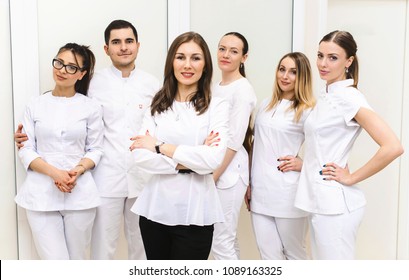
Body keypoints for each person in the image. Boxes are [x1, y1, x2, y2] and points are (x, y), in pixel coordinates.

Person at [14, 19, 160, 260]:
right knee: (102, 251)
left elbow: (159, 126)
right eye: (116, 42)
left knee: (142, 249)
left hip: (141, 176)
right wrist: (27, 136)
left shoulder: (153, 84)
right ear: (106, 49)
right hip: (104, 178)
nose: (123, 47)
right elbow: (64, 108)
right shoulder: (93, 84)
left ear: (138, 45)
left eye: (128, 41)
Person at [294, 30, 404, 259]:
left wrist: (351, 177)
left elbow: (393, 146)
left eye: (333, 57)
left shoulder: (348, 97)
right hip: (319, 201)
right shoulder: (328, 95)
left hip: (335, 207)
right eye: (320, 55)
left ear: (349, 61)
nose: (323, 64)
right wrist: (304, 164)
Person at [129, 31, 229, 260]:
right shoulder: (157, 103)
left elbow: (213, 160)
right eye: (180, 57)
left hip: (196, 214)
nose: (187, 65)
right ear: (171, 62)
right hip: (154, 211)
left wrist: (159, 146)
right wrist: (192, 162)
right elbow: (140, 156)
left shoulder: (217, 106)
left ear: (205, 64)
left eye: (195, 58)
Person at [15, 43, 103, 259]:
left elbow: (95, 148)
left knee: (77, 261)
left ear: (82, 74)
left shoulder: (90, 107)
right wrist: (55, 173)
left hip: (80, 194)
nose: (62, 70)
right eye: (59, 63)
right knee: (56, 264)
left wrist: (77, 171)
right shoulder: (34, 104)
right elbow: (25, 148)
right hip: (40, 195)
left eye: (72, 67)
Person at [245, 52, 315, 260]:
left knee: (294, 253)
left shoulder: (308, 110)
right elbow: (254, 144)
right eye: (282, 69)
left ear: (302, 76)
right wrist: (248, 182)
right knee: (268, 255)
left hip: (288, 193)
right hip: (259, 190)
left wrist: (304, 164)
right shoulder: (266, 104)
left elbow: (323, 148)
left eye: (293, 72)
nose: (285, 76)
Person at [210, 32, 257, 260]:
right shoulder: (214, 85)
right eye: (222, 48)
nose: (226, 55)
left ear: (244, 58)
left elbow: (234, 140)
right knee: (226, 238)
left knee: (221, 240)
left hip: (229, 172)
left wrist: (213, 175)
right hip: (215, 167)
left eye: (234, 51)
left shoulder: (243, 89)